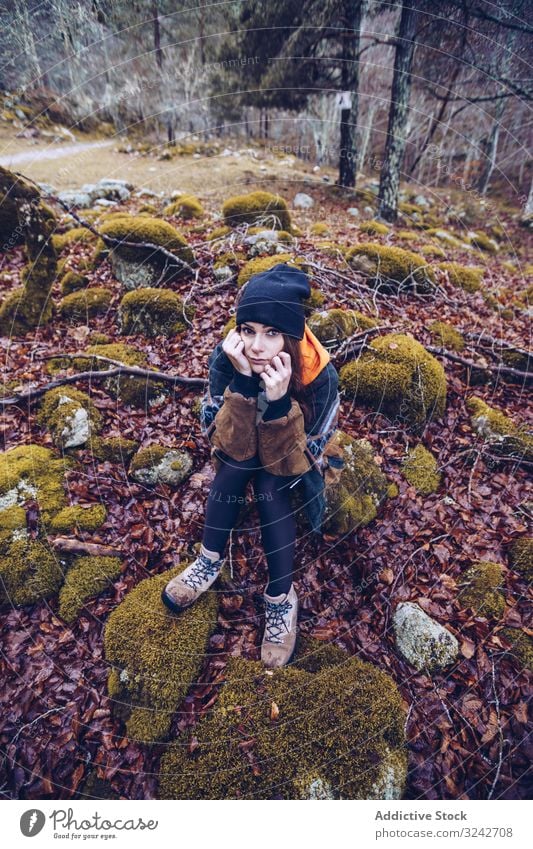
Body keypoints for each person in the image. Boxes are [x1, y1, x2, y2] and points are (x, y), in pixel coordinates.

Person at [161, 263, 344, 668]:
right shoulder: (228, 358)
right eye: (249, 330)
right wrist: (243, 384)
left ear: (292, 337)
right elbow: (223, 443)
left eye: (272, 333)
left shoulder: (320, 377)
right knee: (235, 469)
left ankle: (281, 597)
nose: (257, 346)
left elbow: (297, 462)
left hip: (292, 470)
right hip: (242, 453)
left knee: (268, 486)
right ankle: (209, 559)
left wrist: (279, 404)